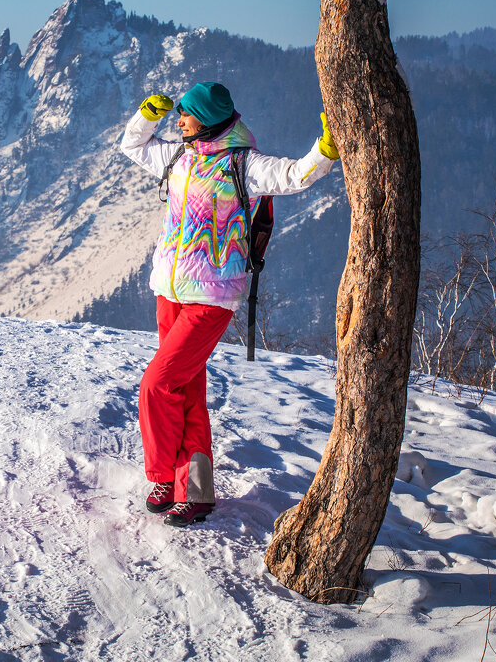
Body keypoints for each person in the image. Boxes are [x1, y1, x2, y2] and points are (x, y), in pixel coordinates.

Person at [119, 82, 339, 527]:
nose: (178, 120)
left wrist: (327, 149)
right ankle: (195, 492)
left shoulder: (244, 164)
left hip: (212, 297)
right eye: (176, 113)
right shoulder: (180, 156)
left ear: (208, 117)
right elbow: (132, 146)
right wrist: (148, 114)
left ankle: (162, 476)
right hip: (169, 291)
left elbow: (296, 175)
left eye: (185, 113)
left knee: (157, 385)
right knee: (185, 390)